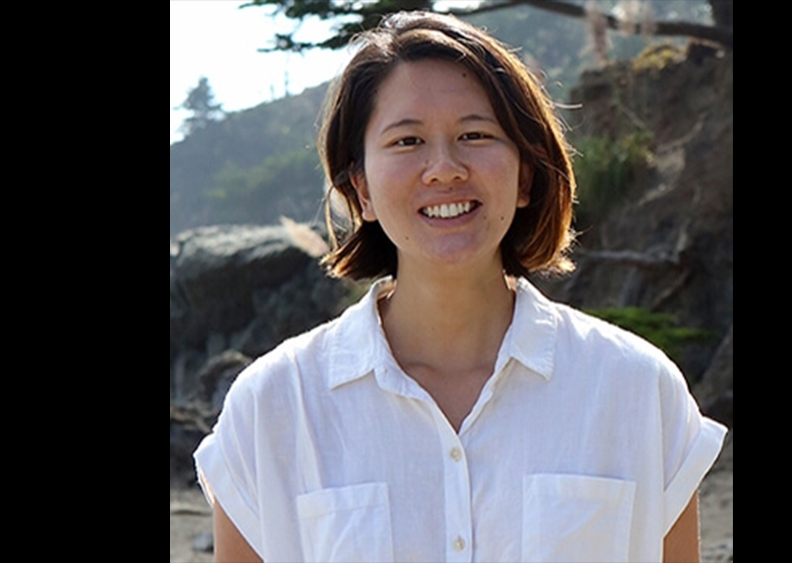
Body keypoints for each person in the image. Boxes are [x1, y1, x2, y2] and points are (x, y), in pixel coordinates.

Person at [194, 11, 727, 563]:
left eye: (475, 135)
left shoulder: (635, 391)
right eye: (407, 141)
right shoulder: (275, 407)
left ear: (525, 175)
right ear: (362, 191)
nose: (444, 168)